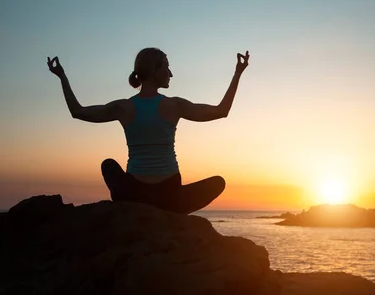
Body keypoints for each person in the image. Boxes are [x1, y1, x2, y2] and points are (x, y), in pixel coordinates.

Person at [47, 48, 250, 214]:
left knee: (108, 165)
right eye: (167, 67)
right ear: (155, 70)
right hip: (169, 197)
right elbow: (221, 111)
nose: (170, 73)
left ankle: (129, 207)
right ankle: (174, 210)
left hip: (134, 194)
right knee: (218, 183)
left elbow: (78, 111)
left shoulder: (124, 107)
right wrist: (238, 73)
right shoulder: (175, 105)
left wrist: (62, 76)